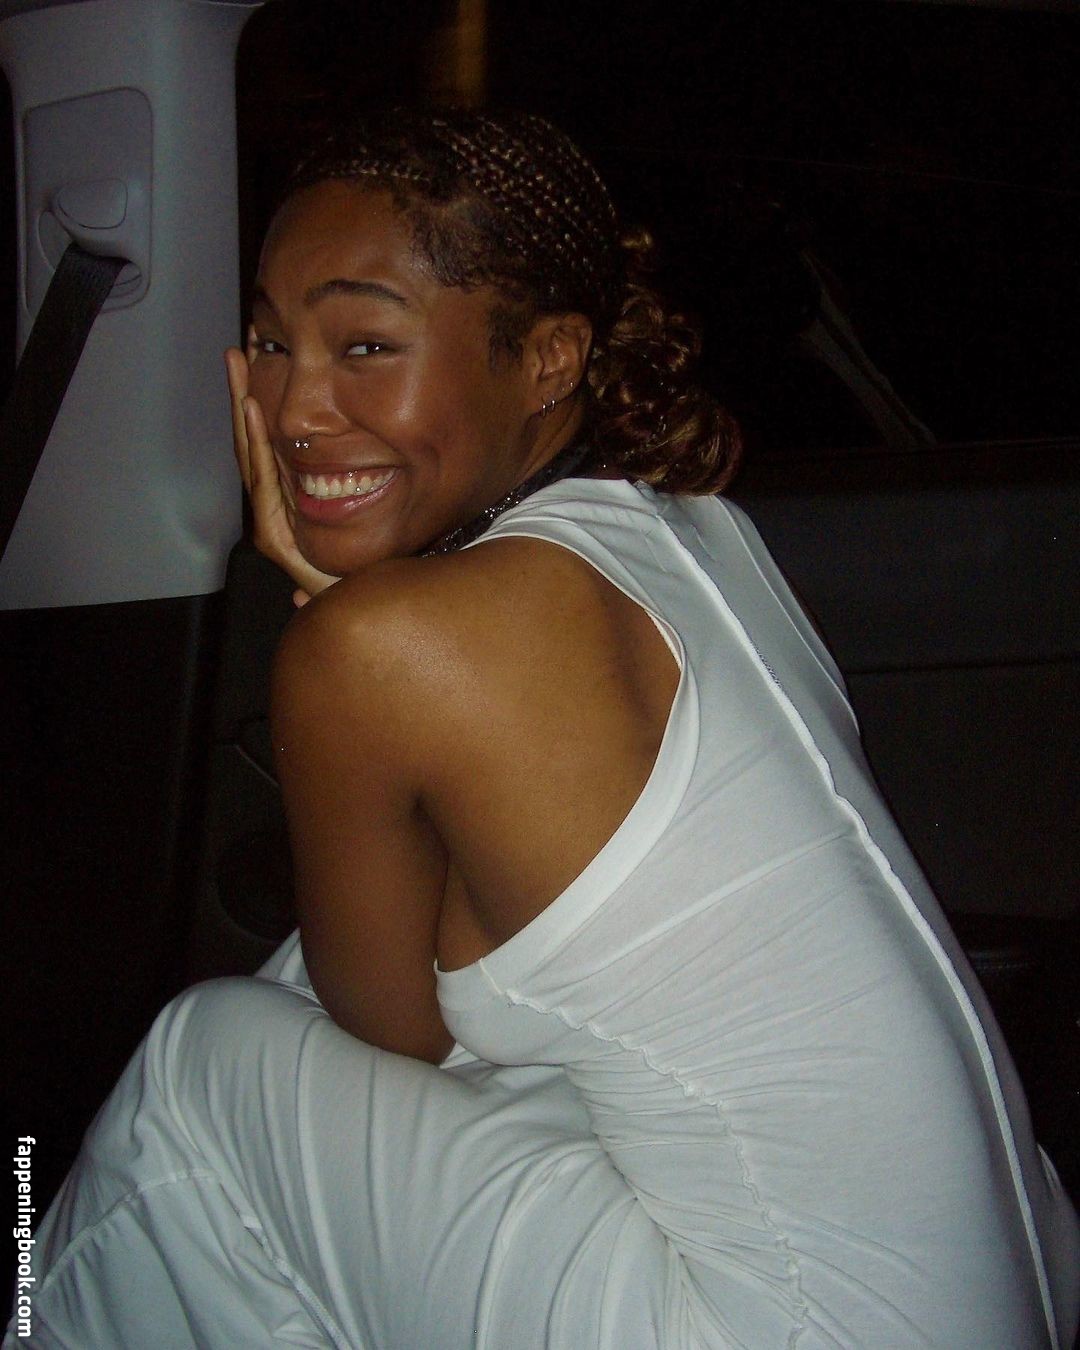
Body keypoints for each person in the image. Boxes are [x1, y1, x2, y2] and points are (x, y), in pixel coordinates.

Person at [6, 107, 1078, 1350]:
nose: (293, 406)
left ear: (551, 359)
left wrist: (342, 620)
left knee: (202, 1074)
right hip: (1013, 1284)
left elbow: (393, 1033)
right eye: (271, 343)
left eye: (365, 344)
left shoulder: (382, 650)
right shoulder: (688, 526)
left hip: (788, 1329)